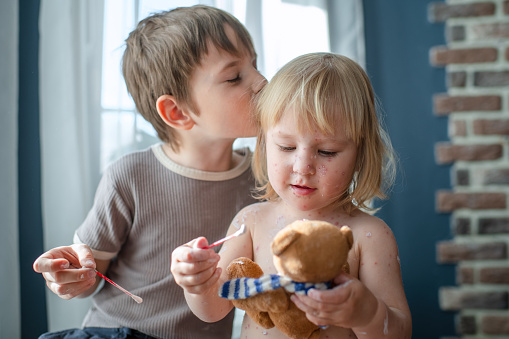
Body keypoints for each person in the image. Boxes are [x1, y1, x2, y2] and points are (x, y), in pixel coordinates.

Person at [32, 5, 266, 339]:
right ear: (177, 111)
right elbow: (90, 276)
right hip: (114, 332)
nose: (262, 81)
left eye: (254, 64)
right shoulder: (130, 175)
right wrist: (74, 274)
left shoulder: (264, 178)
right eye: (234, 77)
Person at [171, 52, 412, 338]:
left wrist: (366, 312)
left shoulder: (368, 234)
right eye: (286, 147)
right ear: (264, 144)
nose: (303, 167)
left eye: (327, 152)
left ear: (360, 155)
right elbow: (213, 309)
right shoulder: (252, 222)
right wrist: (197, 283)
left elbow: (398, 332)